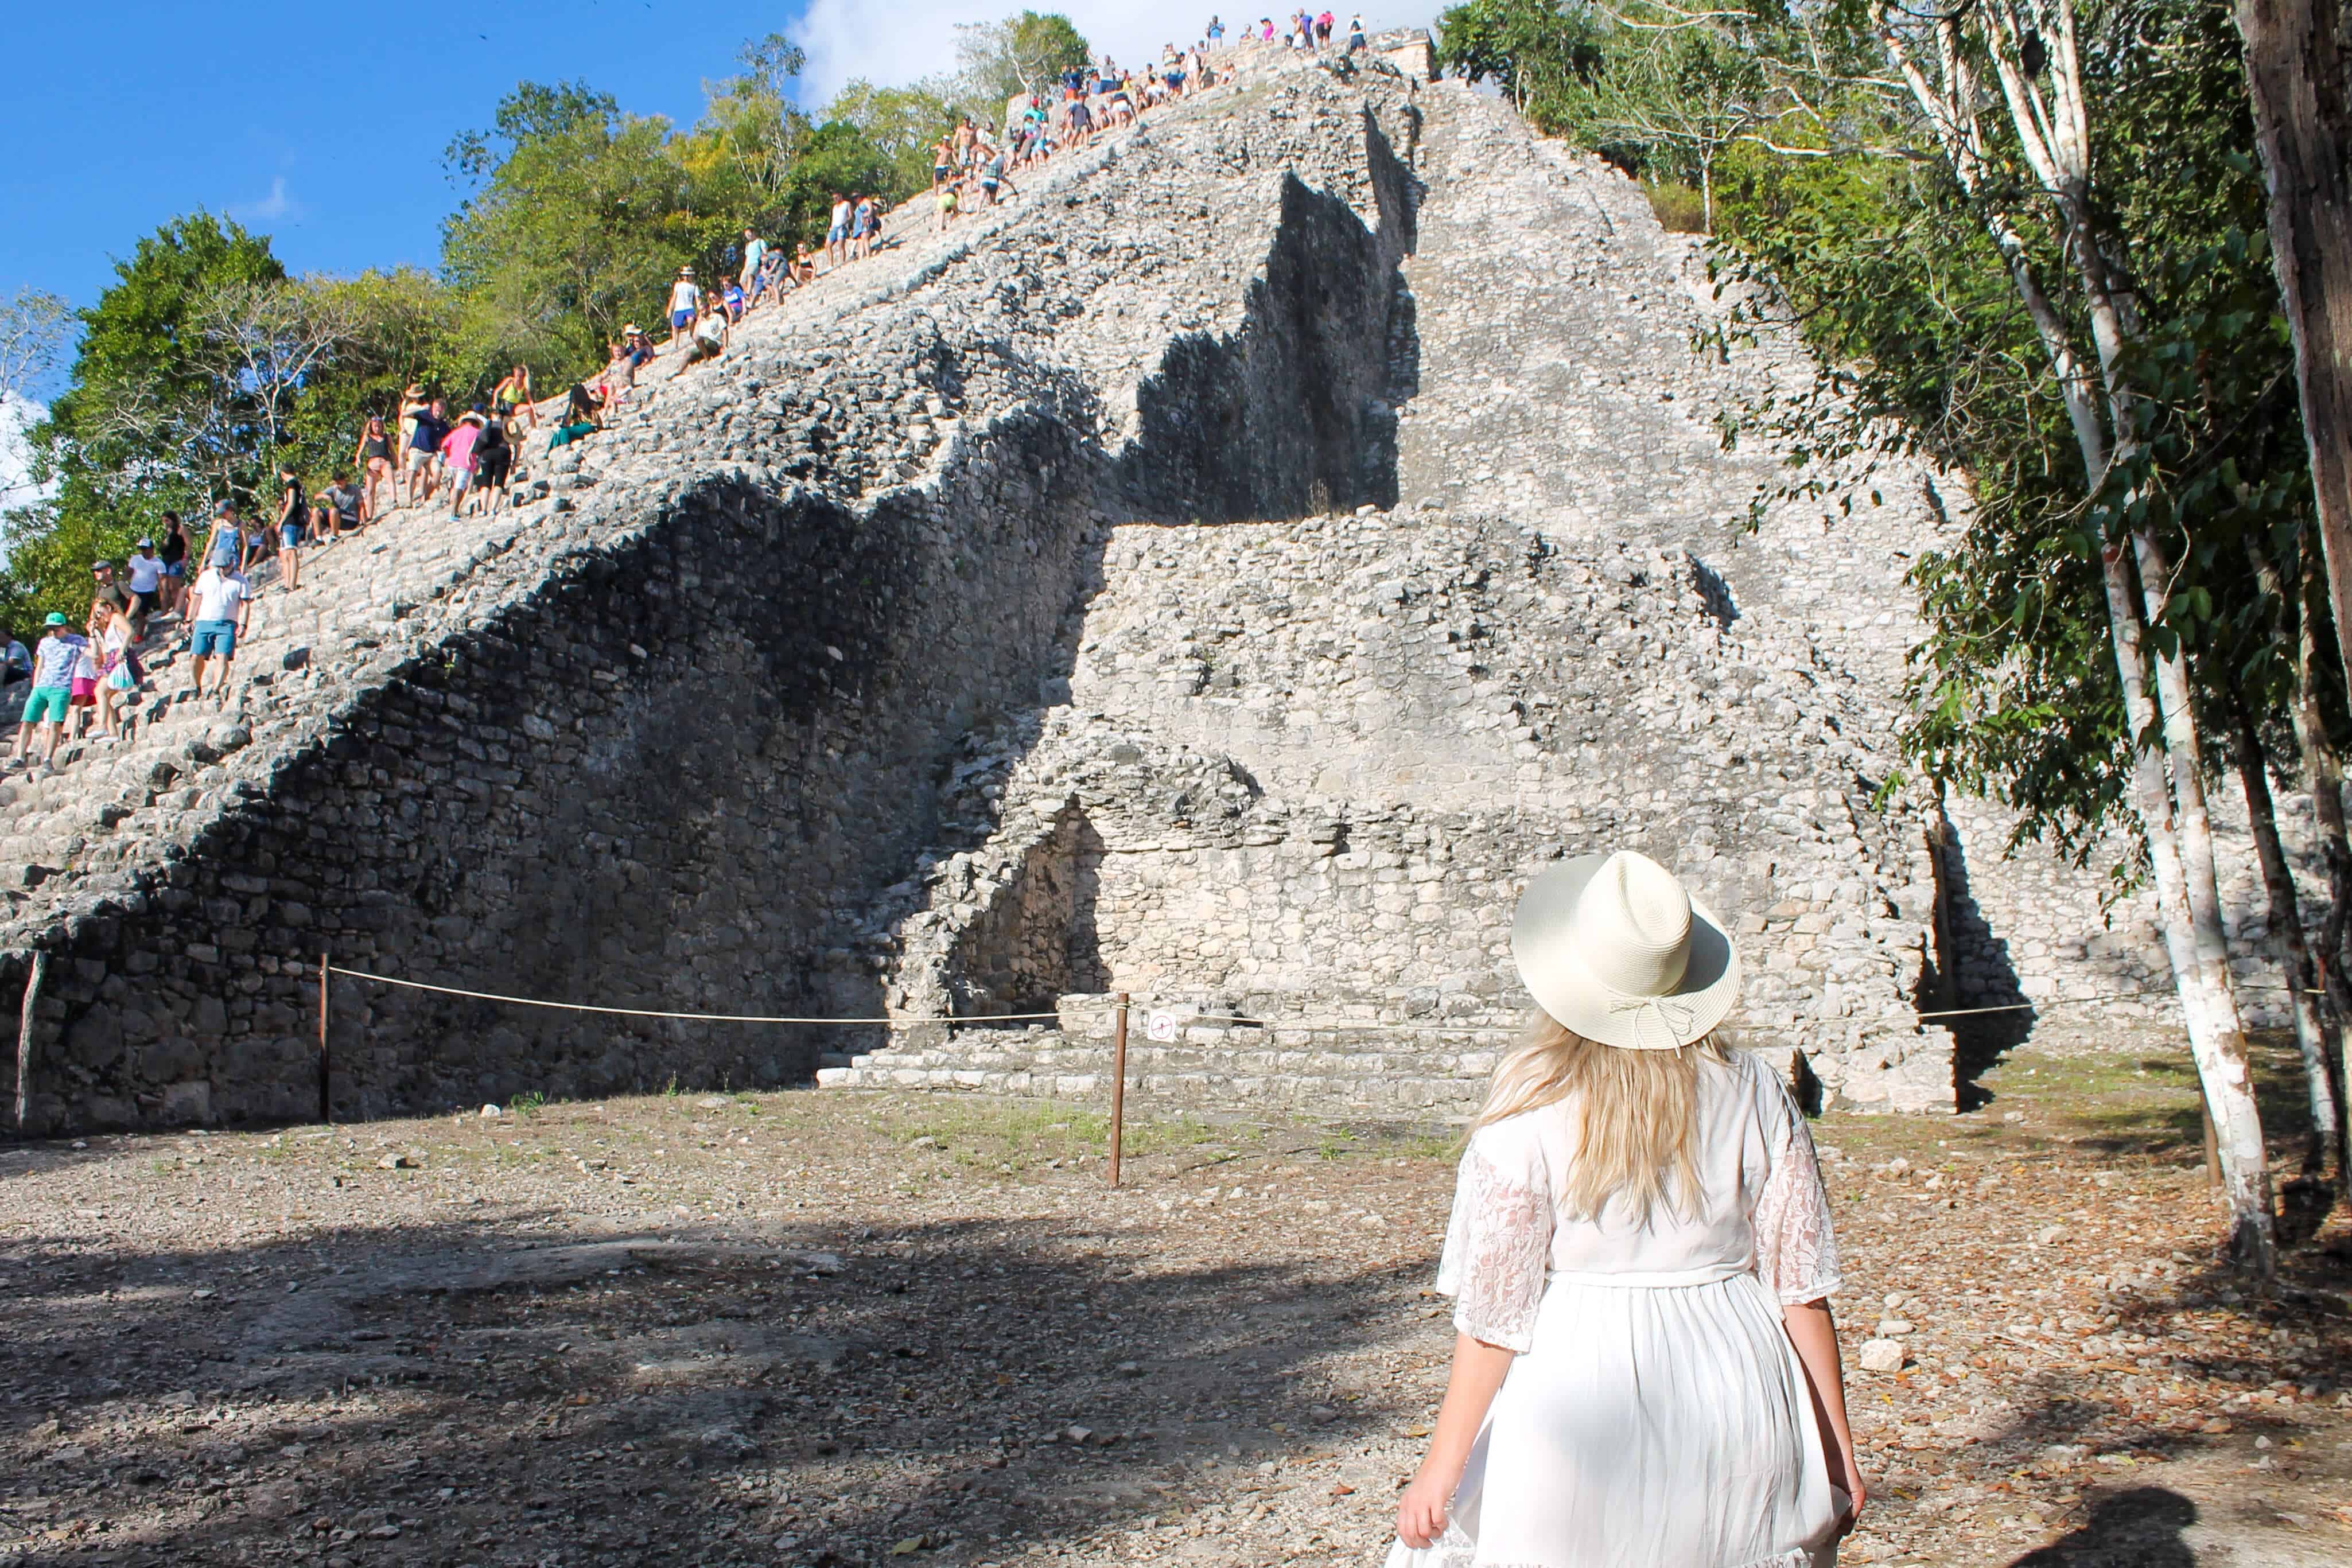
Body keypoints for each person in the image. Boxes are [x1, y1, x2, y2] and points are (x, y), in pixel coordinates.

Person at [1386, 850, 1861, 1568]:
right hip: (1734, 1369)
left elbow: (1495, 1316)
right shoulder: (1755, 1088)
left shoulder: (1531, 1097)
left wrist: (1440, 1467)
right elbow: (1800, 1290)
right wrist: (1834, 1447)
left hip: (1578, 1377)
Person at [9, 614, 86, 771]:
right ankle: (20, 758)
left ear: (63, 627)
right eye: (50, 629)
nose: (53, 632)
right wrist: (35, 686)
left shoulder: (76, 641)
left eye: (55, 629)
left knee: (55, 724)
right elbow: (40, 665)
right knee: (27, 721)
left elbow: (93, 654)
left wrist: (95, 634)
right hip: (42, 687)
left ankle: (48, 759)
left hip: (61, 687)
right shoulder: (45, 642)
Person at [186, 557, 252, 702]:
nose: (222, 570)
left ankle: (216, 689)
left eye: (225, 566)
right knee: (196, 656)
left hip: (227, 623)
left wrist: (243, 624)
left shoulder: (241, 581)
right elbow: (196, 598)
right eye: (220, 567)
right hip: (204, 621)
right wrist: (189, 619)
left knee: (223, 657)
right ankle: (196, 687)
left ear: (231, 564)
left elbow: (245, 604)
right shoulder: (205, 577)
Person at [405, 398, 449, 507]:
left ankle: (425, 496)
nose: (438, 413)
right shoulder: (425, 415)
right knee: (412, 473)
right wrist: (420, 408)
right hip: (417, 450)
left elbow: (449, 439)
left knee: (437, 475)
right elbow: (405, 414)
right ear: (432, 408)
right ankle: (409, 500)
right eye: (436, 409)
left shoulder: (443, 425)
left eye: (441, 410)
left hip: (432, 453)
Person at [353, 415, 397, 521]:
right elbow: (361, 450)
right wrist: (358, 459)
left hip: (385, 462)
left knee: (391, 480)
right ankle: (369, 515)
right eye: (375, 426)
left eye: (379, 426)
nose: (377, 428)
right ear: (371, 427)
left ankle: (394, 501)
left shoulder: (387, 437)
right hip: (372, 464)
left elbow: (392, 450)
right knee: (370, 491)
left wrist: (397, 463)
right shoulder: (368, 437)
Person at [274, 464, 308, 589]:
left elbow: (292, 503)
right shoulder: (299, 485)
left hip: (291, 522)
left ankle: (291, 584)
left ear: (283, 474)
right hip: (295, 522)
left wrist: (281, 522)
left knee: (291, 553)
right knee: (285, 553)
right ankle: (287, 583)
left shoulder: (292, 485)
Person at [124, 539, 166, 637]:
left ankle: (139, 635)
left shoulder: (158, 564)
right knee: (127, 612)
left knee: (141, 614)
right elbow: (128, 572)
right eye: (141, 549)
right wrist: (122, 583)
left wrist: (164, 597)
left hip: (147, 592)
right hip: (133, 589)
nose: (143, 551)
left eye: (145, 549)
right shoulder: (135, 559)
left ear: (151, 549)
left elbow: (163, 581)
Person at [675, 301, 728, 376]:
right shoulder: (702, 322)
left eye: (703, 310)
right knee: (688, 353)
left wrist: (725, 346)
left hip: (715, 343)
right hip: (704, 345)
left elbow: (725, 331)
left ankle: (707, 358)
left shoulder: (717, 317)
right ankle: (679, 371)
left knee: (698, 338)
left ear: (708, 308)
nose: (702, 313)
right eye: (700, 311)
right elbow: (698, 337)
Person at [473, 415, 513, 512]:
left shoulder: (487, 426)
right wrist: (515, 463)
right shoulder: (507, 425)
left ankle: (484, 510)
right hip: (503, 452)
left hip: (487, 453)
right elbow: (516, 443)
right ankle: (493, 510)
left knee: (486, 483)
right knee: (499, 483)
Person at [157, 512, 190, 616]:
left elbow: (189, 545)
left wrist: (185, 559)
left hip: (177, 561)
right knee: (163, 588)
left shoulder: (181, 529)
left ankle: (177, 610)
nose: (166, 523)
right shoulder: (168, 532)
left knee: (174, 587)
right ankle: (164, 611)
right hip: (166, 562)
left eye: (167, 521)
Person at [316, 471, 363, 539]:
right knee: (316, 511)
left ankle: (334, 536)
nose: (339, 485)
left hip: (352, 518)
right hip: (339, 516)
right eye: (337, 483)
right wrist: (324, 496)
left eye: (341, 483)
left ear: (345, 480)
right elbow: (316, 496)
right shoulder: (334, 489)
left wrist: (363, 520)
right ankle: (319, 538)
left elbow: (361, 506)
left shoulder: (354, 489)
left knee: (334, 511)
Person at [666, 266, 702, 348]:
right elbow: (674, 297)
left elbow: (698, 299)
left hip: (689, 307)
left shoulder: (694, 286)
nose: (686, 277)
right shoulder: (678, 285)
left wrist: (700, 308)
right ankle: (675, 345)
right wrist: (670, 309)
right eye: (684, 275)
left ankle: (691, 334)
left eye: (688, 275)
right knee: (676, 327)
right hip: (679, 308)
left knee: (691, 320)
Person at [493, 364, 535, 432]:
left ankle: (533, 428)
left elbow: (530, 400)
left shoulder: (524, 388)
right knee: (500, 424)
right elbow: (497, 391)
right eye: (517, 376)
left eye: (520, 377)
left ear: (523, 377)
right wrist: (495, 401)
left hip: (514, 407)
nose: (518, 378)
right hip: (504, 406)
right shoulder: (510, 381)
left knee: (529, 409)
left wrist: (535, 411)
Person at [826, 193, 853, 270]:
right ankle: (830, 265)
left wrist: (845, 222)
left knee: (841, 245)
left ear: (841, 196)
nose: (836, 199)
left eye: (837, 197)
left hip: (842, 226)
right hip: (834, 227)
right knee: (828, 245)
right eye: (834, 198)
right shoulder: (834, 207)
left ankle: (842, 262)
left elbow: (851, 216)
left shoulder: (847, 204)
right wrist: (831, 226)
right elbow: (833, 218)